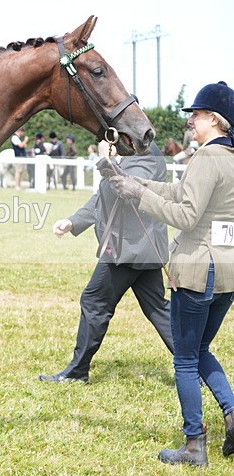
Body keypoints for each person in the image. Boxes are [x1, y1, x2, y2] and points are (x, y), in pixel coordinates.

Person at [105, 81, 234, 467]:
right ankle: (231, 413)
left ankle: (194, 444)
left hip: (198, 269)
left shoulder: (208, 159)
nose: (190, 121)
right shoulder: (227, 157)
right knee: (200, 349)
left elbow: (185, 215)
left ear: (213, 119)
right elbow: (181, 192)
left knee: (185, 359)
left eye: (195, 115)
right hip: (227, 270)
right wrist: (137, 181)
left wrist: (139, 197)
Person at [40, 140, 173, 384]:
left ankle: (78, 372)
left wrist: (106, 158)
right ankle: (195, 365)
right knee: (158, 309)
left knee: (94, 301)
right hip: (138, 248)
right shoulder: (127, 153)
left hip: (130, 248)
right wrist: (74, 221)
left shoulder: (146, 154)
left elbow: (128, 192)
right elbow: (105, 196)